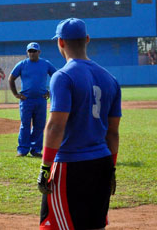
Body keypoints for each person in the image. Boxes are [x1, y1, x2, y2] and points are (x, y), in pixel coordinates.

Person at [38, 18, 121, 230]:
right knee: (94, 226)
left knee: (55, 226)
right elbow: (113, 134)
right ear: (87, 39)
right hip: (102, 163)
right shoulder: (110, 80)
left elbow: (56, 126)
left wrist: (46, 167)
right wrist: (111, 168)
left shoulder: (63, 76)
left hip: (71, 166)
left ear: (61, 43)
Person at [9, 42, 57, 157]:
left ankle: (36, 149)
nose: (32, 53)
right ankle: (23, 150)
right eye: (30, 51)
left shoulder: (45, 64)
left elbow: (56, 76)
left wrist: (50, 91)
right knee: (25, 125)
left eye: (34, 51)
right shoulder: (22, 64)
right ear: (27, 52)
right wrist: (16, 94)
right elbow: (11, 79)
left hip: (41, 100)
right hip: (26, 100)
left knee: (39, 125)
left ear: (39, 52)